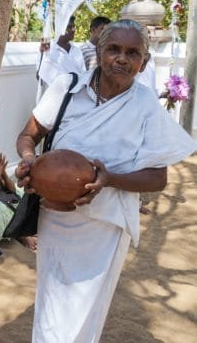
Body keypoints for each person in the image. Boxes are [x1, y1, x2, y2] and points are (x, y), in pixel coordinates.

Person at [15, 19, 196, 342]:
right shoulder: (66, 88)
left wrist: (110, 179)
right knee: (53, 302)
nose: (122, 58)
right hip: (56, 217)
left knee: (87, 307)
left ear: (144, 62)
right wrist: (30, 162)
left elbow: (159, 178)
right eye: (113, 49)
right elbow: (29, 135)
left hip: (105, 225)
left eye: (132, 52)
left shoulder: (145, 106)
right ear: (98, 52)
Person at [37, 16, 86, 92]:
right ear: (60, 29)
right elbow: (39, 76)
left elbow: (83, 76)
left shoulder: (77, 51)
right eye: (69, 27)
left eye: (74, 27)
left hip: (74, 99)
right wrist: (43, 55)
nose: (73, 30)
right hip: (53, 100)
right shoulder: (47, 50)